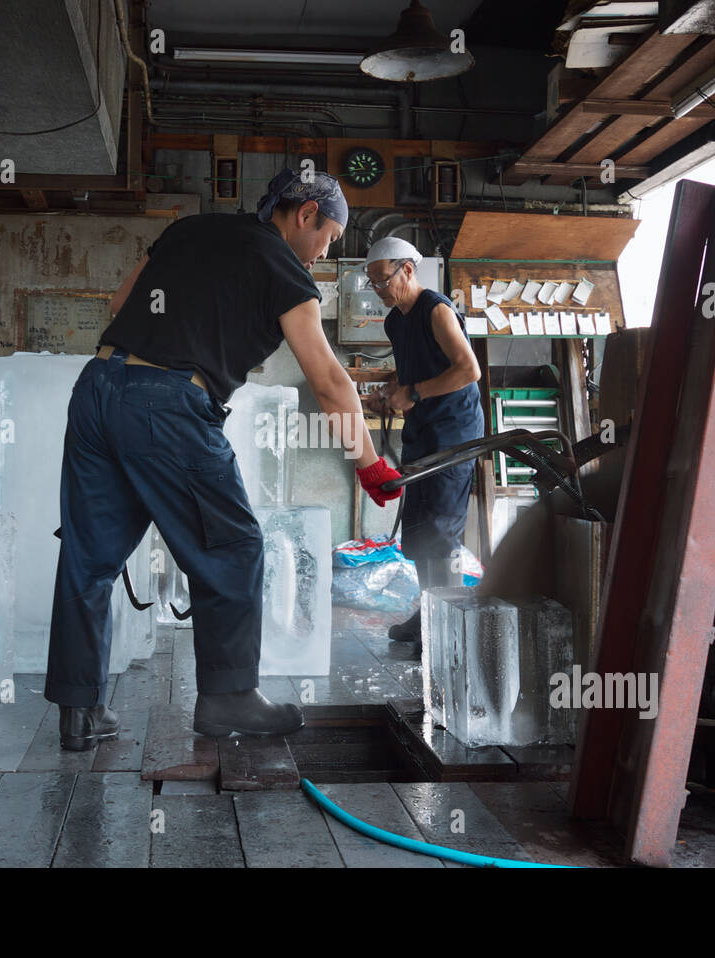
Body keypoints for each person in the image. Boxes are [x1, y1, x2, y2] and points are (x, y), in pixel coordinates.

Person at [46, 168, 402, 749]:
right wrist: (368, 463)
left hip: (97, 390)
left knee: (90, 556)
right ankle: (228, 698)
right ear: (306, 215)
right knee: (233, 545)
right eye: (330, 239)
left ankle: (79, 710)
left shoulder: (189, 231)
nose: (322, 253)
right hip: (167, 403)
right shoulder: (282, 266)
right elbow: (331, 381)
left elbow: (118, 304)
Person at [362, 237, 484, 643]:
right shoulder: (396, 320)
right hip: (422, 432)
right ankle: (428, 614)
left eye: (383, 281)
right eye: (373, 283)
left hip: (454, 434)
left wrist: (412, 394)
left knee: (441, 533)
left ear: (408, 270)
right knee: (418, 532)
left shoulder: (437, 310)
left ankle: (449, 628)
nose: (379, 290)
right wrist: (390, 394)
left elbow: (468, 370)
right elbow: (411, 371)